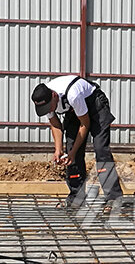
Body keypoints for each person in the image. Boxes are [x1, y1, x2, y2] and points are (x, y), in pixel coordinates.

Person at [31, 75, 123, 208]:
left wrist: (74, 151)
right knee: (70, 155)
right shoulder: (45, 99)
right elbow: (55, 124)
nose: (49, 110)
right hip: (74, 111)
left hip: (95, 105)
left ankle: (114, 198)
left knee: (101, 150)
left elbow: (84, 124)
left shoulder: (73, 94)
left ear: (54, 96)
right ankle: (76, 197)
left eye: (50, 107)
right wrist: (58, 149)